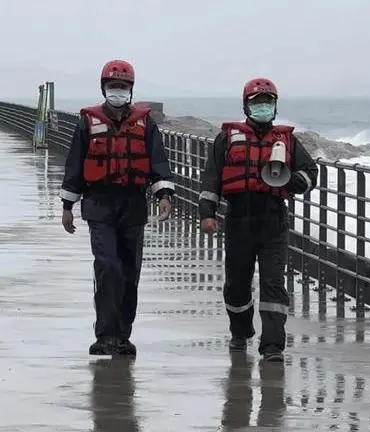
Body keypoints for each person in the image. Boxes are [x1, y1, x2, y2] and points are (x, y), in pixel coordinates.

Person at [59, 59, 175, 356]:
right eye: (113, 86)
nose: (118, 91)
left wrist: (164, 196)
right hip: (99, 203)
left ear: (131, 90)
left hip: (133, 203)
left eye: (122, 87)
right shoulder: (87, 122)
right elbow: (74, 164)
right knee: (107, 266)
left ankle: (123, 335)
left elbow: (159, 163)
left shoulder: (145, 124)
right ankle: (105, 334)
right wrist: (67, 206)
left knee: (128, 272)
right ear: (104, 88)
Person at [198, 77, 318, 361]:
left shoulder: (287, 140)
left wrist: (298, 182)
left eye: (268, 102)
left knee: (273, 283)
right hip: (239, 220)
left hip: (273, 221)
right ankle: (240, 332)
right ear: (246, 105)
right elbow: (211, 178)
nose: (263, 107)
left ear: (275, 106)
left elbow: (310, 171)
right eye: (257, 102)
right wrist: (207, 214)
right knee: (237, 284)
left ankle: (273, 345)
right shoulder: (226, 139)